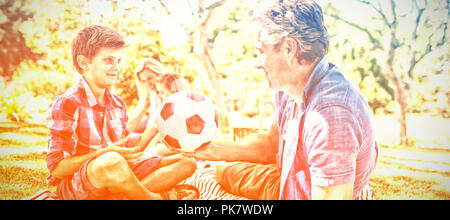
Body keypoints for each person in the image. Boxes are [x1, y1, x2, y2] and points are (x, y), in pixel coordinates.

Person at [183, 0, 378, 200]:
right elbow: (271, 142)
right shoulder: (287, 85)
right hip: (287, 179)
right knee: (221, 171)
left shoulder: (331, 115)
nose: (257, 64)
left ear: (289, 48)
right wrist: (210, 150)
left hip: (304, 193)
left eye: (260, 51)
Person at [46, 25, 196, 200]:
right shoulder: (68, 103)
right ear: (83, 62)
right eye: (108, 60)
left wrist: (155, 129)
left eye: (119, 61)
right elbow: (58, 168)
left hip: (119, 171)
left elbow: (124, 148)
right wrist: (104, 154)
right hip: (81, 182)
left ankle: (122, 197)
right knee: (111, 161)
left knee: (186, 162)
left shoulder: (118, 104)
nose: (116, 67)